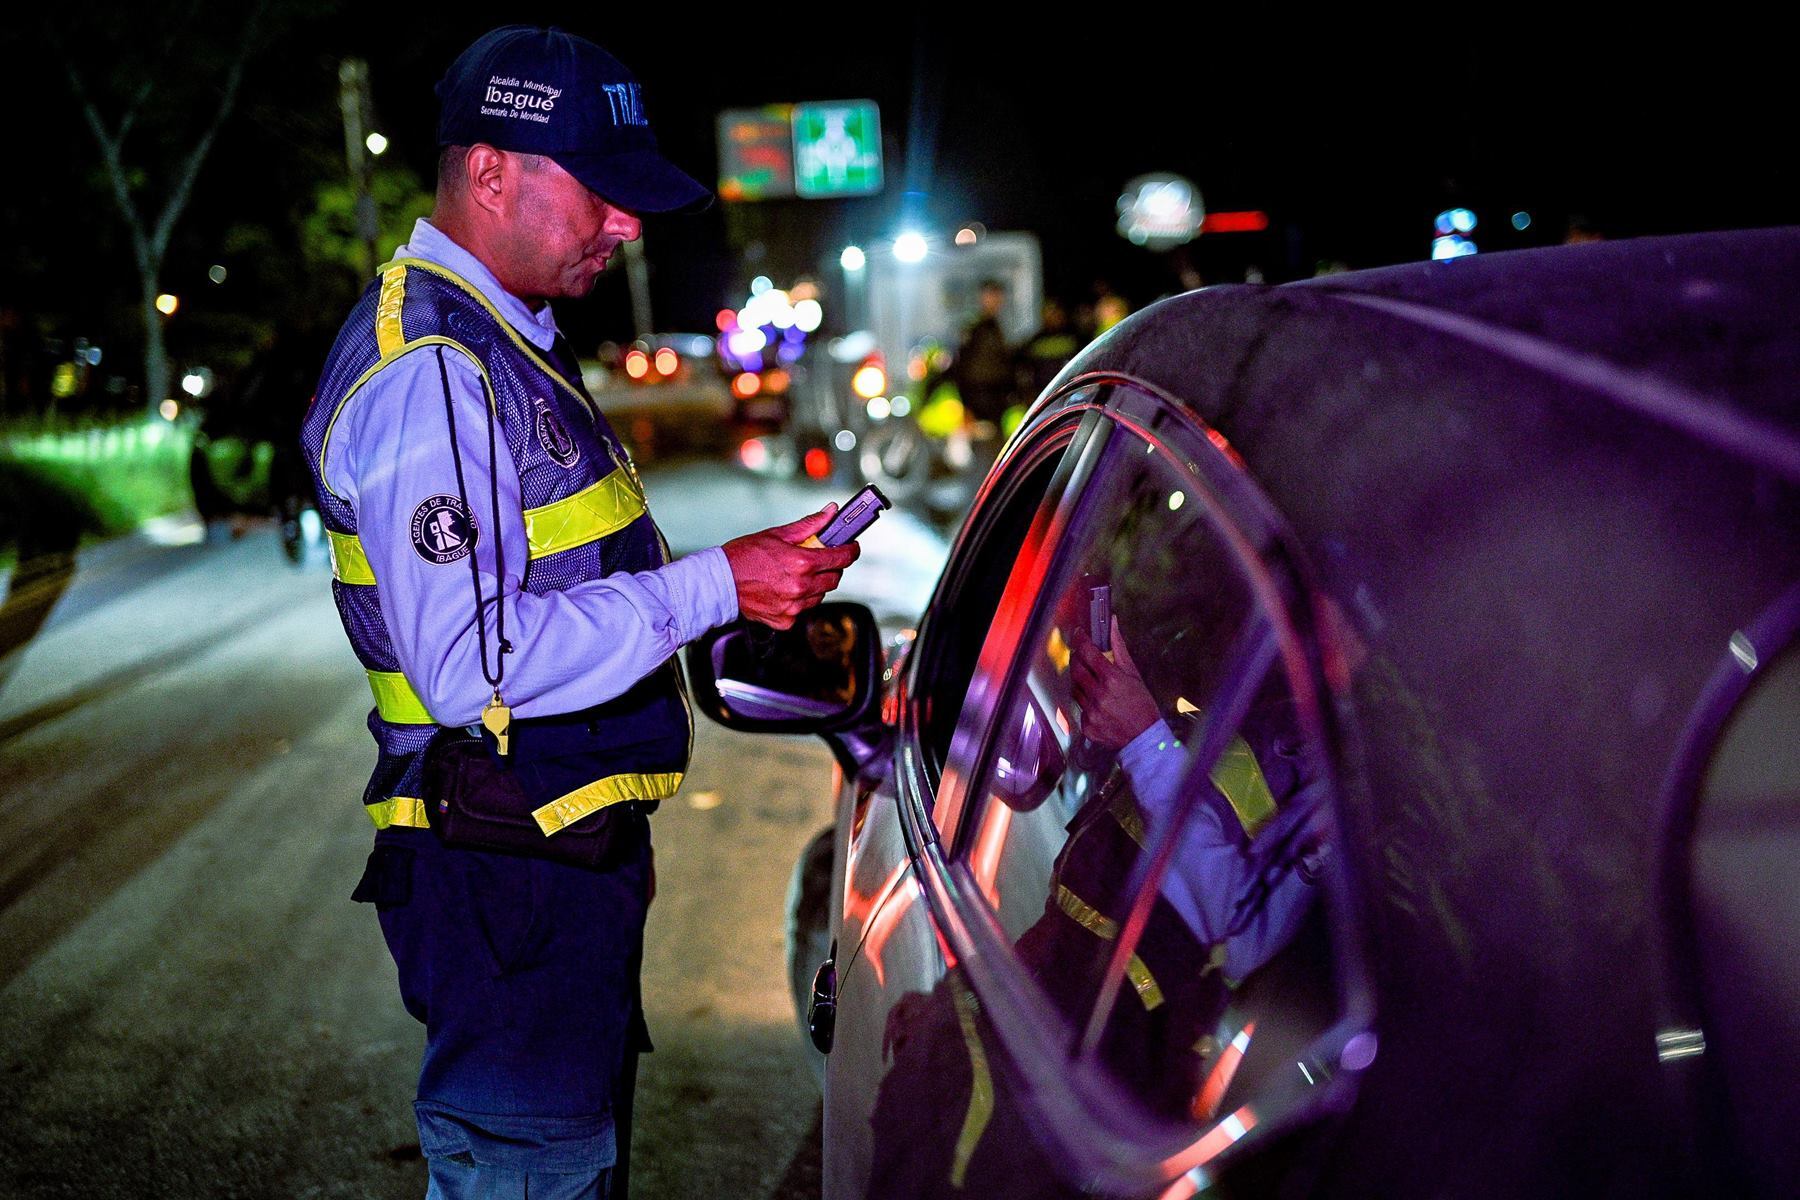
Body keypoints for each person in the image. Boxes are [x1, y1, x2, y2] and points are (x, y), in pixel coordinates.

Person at [297, 26, 858, 1199]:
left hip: (545, 874)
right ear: (489, 170)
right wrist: (718, 585)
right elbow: (471, 663)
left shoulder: (502, 342)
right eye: (599, 193)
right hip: (507, 886)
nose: (627, 226)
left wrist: (726, 593)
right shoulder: (434, 370)